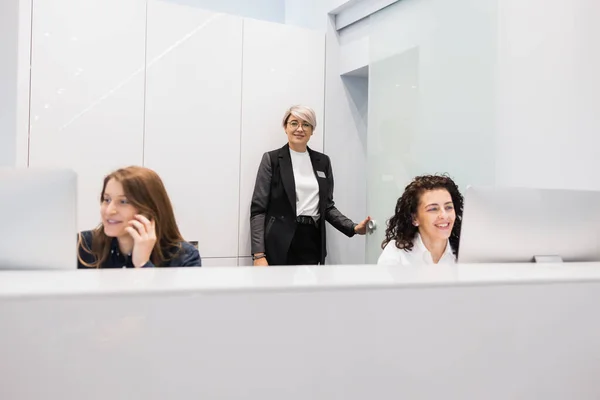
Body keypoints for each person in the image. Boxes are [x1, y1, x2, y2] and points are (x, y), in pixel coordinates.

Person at [250, 105, 370, 266]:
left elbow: (327, 206)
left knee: (309, 290)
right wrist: (258, 255)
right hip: (279, 242)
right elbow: (258, 210)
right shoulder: (271, 160)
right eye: (294, 123)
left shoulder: (323, 162)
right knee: (281, 290)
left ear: (312, 130)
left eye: (306, 124)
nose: (300, 129)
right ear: (285, 127)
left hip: (312, 240)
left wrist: (353, 227)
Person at [78, 166, 201, 268]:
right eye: (106, 199)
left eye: (123, 202)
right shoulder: (83, 245)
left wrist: (143, 264)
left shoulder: (184, 257)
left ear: (149, 209)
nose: (109, 210)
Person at [378, 174, 463, 265]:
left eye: (448, 207)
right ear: (415, 218)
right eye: (433, 209)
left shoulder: (464, 253)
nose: (444, 215)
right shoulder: (396, 254)